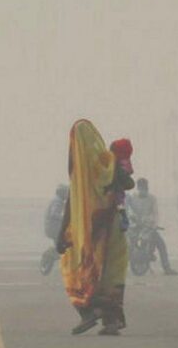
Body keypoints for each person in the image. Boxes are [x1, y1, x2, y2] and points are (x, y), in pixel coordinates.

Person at [56, 120, 136, 336]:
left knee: (80, 267)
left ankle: (88, 311)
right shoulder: (107, 163)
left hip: (92, 229)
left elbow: (71, 202)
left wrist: (62, 232)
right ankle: (111, 320)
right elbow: (129, 183)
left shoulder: (85, 168)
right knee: (109, 272)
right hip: (112, 225)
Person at [127, 178, 178, 275]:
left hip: (148, 226)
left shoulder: (152, 198)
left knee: (161, 245)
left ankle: (166, 268)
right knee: (126, 244)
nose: (142, 191)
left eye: (144, 188)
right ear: (138, 188)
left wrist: (153, 224)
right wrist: (131, 217)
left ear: (147, 188)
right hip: (135, 226)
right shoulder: (132, 198)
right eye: (141, 188)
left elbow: (155, 213)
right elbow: (128, 210)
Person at [40, 184, 69, 276]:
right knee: (63, 247)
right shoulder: (58, 202)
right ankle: (49, 254)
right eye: (66, 193)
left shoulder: (56, 200)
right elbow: (54, 214)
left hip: (53, 228)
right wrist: (65, 218)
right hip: (54, 229)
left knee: (61, 246)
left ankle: (50, 256)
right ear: (61, 192)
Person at [108, 139, 134, 231]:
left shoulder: (121, 161)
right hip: (113, 187)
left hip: (117, 188)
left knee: (119, 202)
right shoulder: (113, 160)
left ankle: (124, 219)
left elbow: (128, 172)